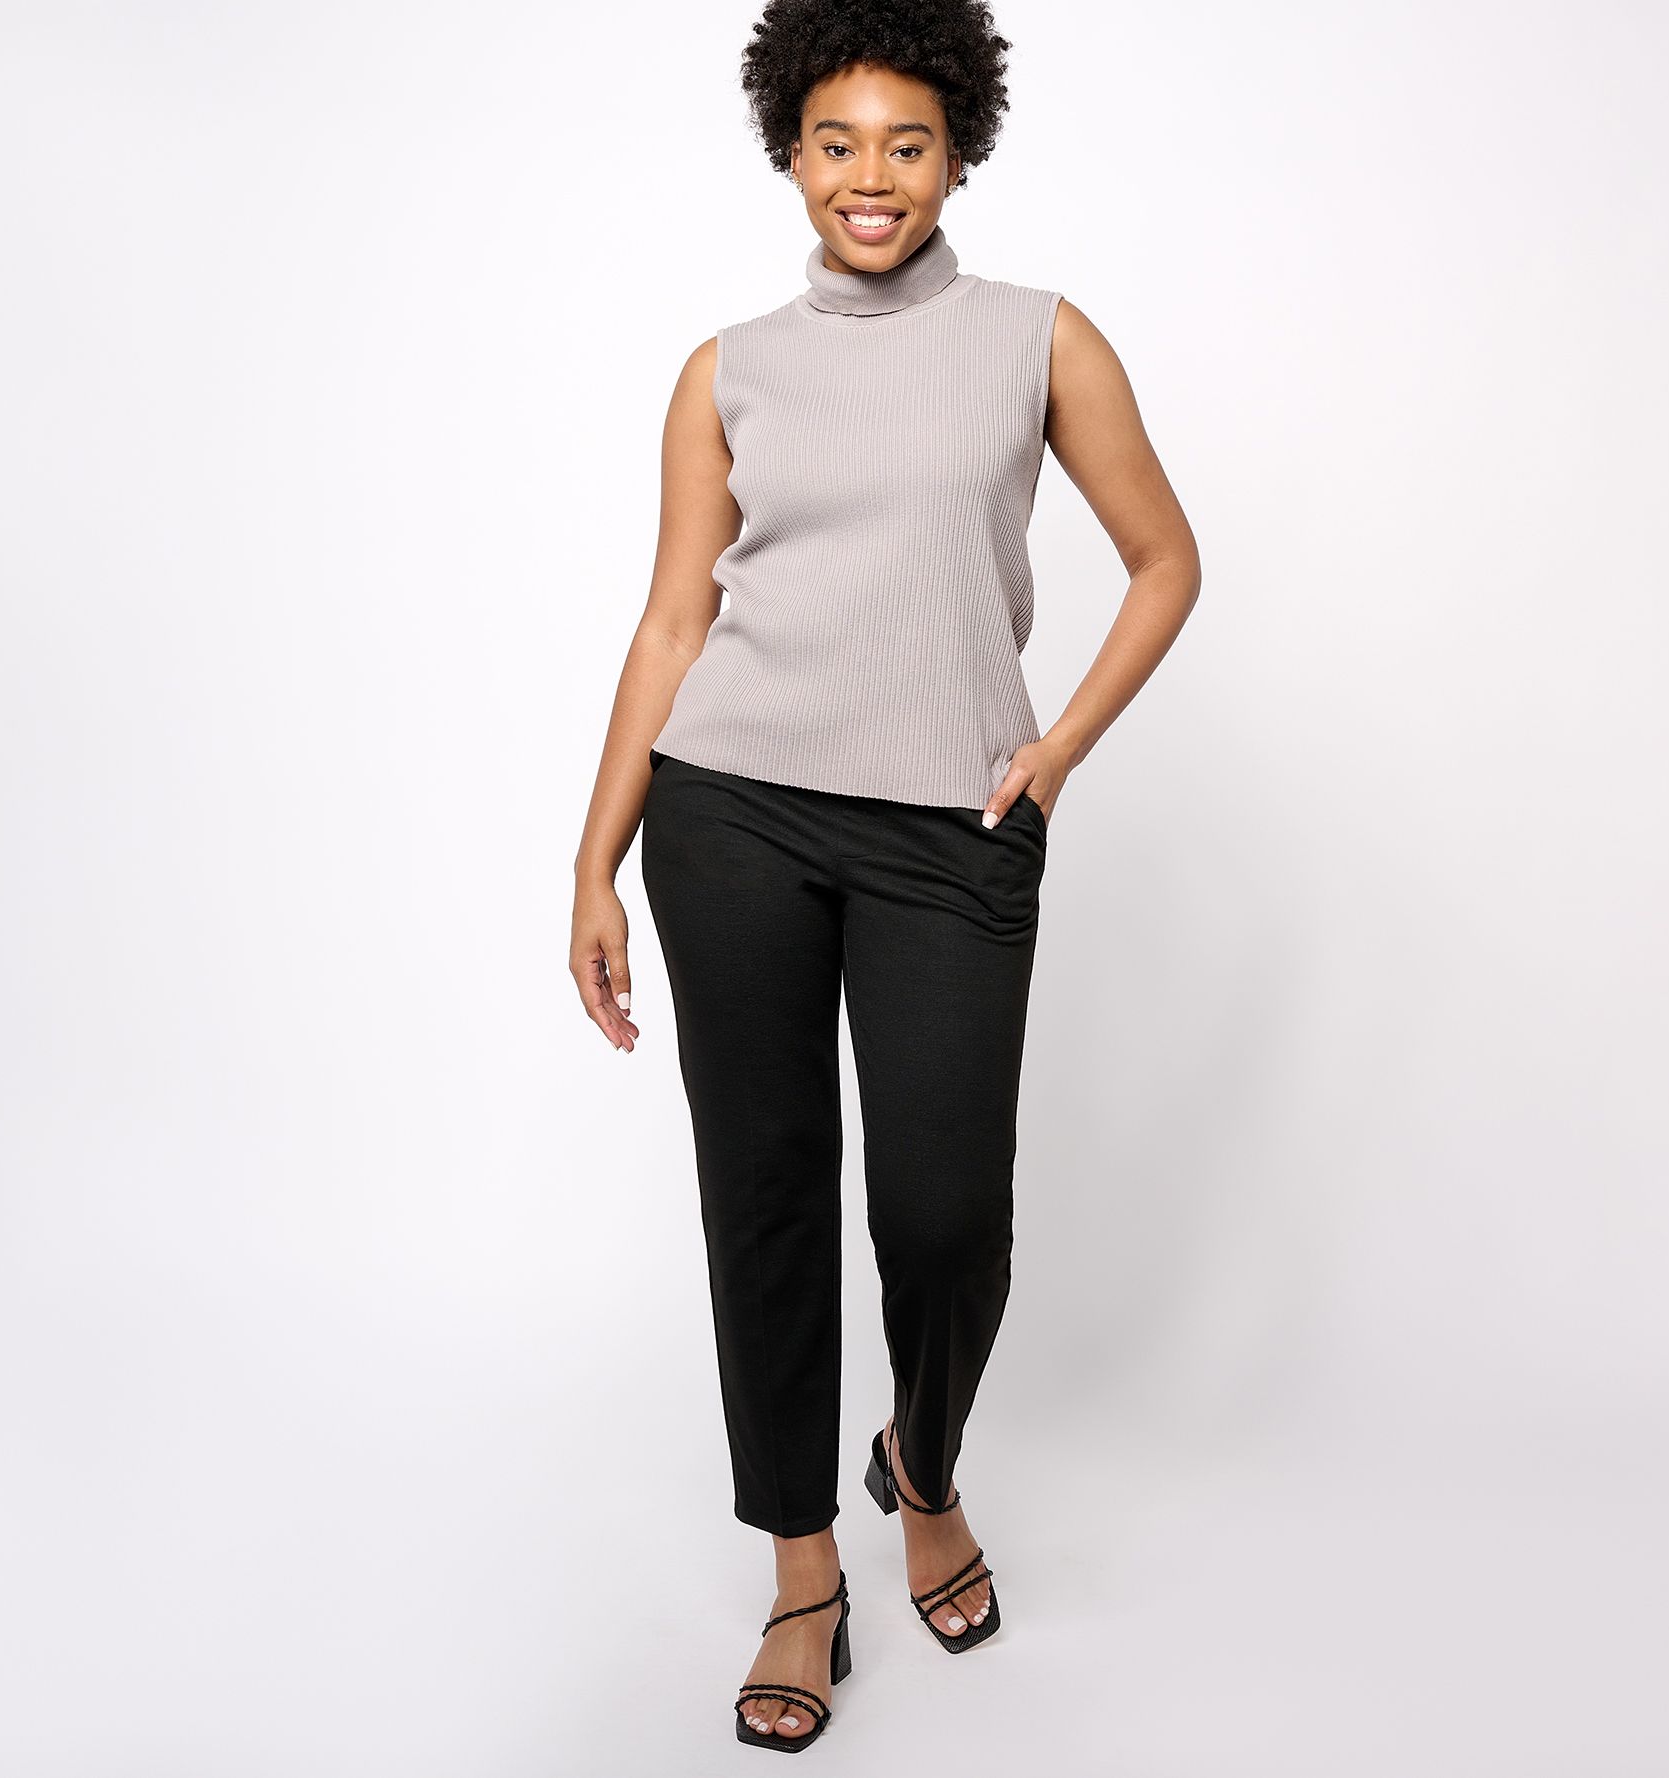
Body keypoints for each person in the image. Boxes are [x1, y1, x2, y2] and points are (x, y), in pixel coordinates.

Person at [569, 0, 1201, 1752]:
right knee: (765, 1199)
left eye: (907, 144)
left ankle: (922, 1461)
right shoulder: (727, 370)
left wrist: (1053, 749)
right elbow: (673, 621)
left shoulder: (1037, 338)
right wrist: (598, 853)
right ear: (790, 152)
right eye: (836, 142)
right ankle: (802, 1574)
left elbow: (1164, 558)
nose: (871, 176)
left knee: (943, 1215)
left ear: (958, 155)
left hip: (949, 826)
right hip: (732, 815)